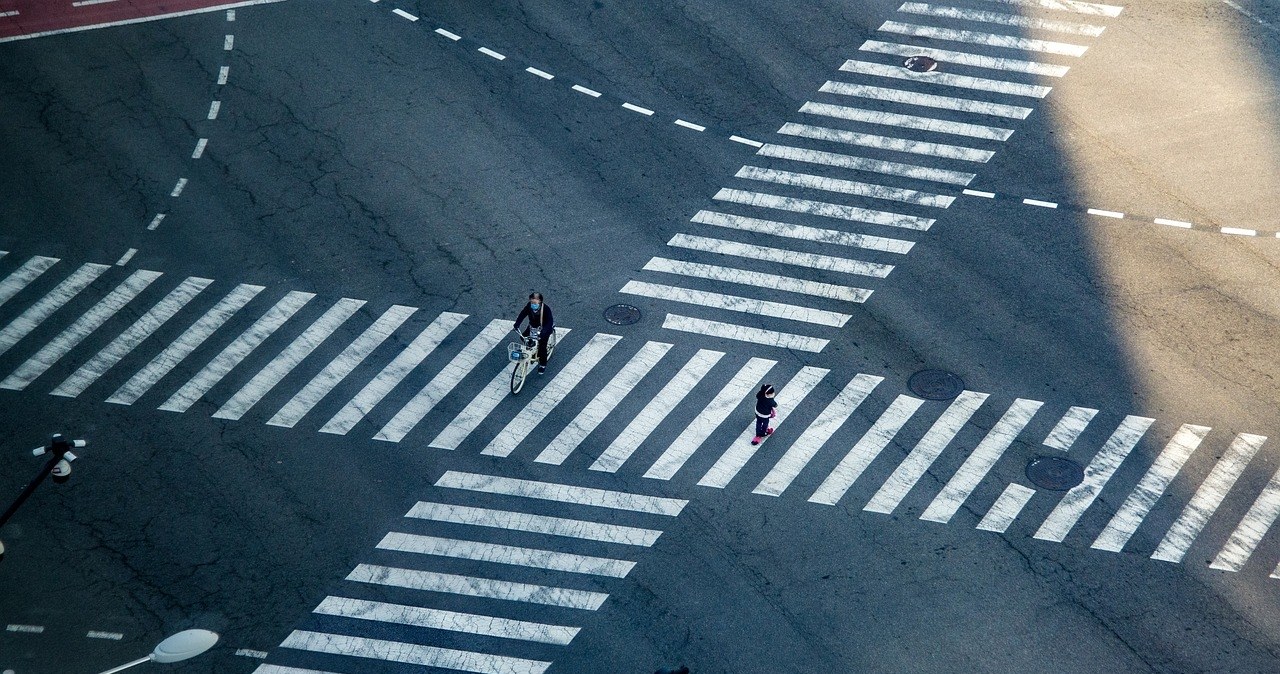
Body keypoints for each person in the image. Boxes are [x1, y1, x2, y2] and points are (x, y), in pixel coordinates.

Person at [514, 292, 554, 374]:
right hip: (532, 327)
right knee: (523, 337)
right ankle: (531, 351)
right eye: (532, 302)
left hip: (543, 329)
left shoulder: (546, 309)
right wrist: (517, 324)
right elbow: (523, 314)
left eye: (535, 303)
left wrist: (543, 332)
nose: (533, 304)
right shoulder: (529, 306)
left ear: (540, 301)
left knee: (542, 347)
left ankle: (543, 364)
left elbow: (549, 322)